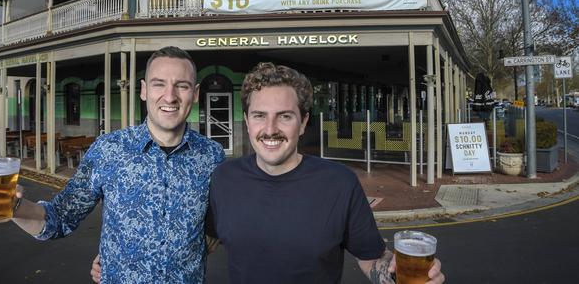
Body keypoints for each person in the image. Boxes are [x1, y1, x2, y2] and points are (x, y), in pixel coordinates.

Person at [92, 62, 445, 283]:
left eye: (285, 116)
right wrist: (123, 254)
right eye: (260, 115)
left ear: (304, 121)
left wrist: (397, 275)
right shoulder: (224, 179)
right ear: (247, 121)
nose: (270, 128)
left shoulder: (339, 183)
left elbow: (372, 259)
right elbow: (201, 240)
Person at [0, 46, 225, 283]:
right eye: (159, 84)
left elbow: (231, 219)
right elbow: (59, 218)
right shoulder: (108, 150)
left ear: (196, 93)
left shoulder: (212, 156)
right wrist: (16, 207)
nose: (169, 96)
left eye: (182, 85)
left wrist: (212, 235)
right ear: (144, 90)